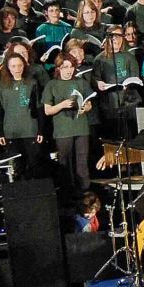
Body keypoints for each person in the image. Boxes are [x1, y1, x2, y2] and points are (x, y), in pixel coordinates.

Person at [42, 52, 95, 193]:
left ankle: (84, 193)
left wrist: (86, 107)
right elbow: (47, 110)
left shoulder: (81, 82)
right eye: (65, 67)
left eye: (71, 67)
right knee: (65, 163)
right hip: (63, 129)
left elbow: (89, 103)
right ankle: (67, 193)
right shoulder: (52, 85)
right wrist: (62, 105)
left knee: (82, 163)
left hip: (81, 128)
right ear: (58, 68)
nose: (68, 70)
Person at [0, 52, 45, 178]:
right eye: (13, 66)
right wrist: (0, 133)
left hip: (29, 130)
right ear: (8, 67)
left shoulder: (32, 83)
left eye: (19, 65)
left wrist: (40, 131)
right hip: (11, 132)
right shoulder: (3, 85)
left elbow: (39, 108)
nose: (17, 69)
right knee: (16, 167)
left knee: (33, 165)